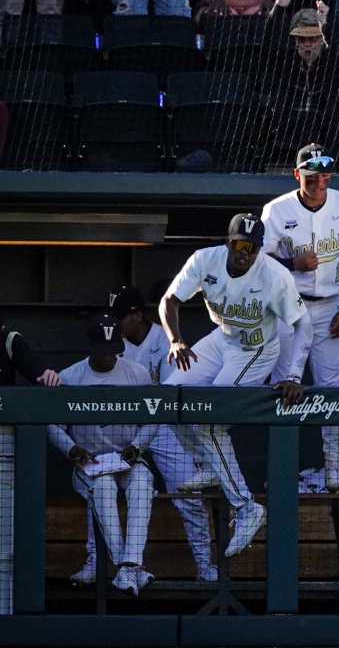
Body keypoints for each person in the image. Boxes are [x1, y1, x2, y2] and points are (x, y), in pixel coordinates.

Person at [160, 213, 310, 558]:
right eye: (241, 245)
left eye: (253, 247)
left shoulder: (274, 275)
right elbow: (170, 300)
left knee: (211, 420)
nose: (246, 252)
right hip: (222, 339)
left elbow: (304, 325)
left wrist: (294, 374)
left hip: (256, 350)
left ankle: (246, 507)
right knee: (171, 398)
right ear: (229, 243)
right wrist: (176, 340)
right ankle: (207, 466)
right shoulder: (205, 259)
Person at [62, 286, 217, 586]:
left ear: (137, 315)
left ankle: (204, 565)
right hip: (128, 430)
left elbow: (170, 397)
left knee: (189, 494)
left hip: (165, 428)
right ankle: (99, 561)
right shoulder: (111, 344)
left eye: (121, 317)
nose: (115, 323)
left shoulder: (163, 338)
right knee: (100, 488)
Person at [261, 144, 339, 492]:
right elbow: (255, 263)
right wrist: (290, 265)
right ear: (299, 175)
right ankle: (283, 466)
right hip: (287, 308)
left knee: (332, 389)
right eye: (312, 175)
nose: (320, 181)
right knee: (283, 387)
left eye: (325, 174)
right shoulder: (276, 210)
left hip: (330, 307)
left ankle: (334, 467)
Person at [48, 315, 160, 596]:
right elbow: (52, 425)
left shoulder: (137, 373)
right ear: (91, 346)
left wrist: (137, 446)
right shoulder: (70, 376)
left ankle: (127, 567)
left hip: (128, 459)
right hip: (91, 461)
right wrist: (72, 449)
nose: (108, 357)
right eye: (103, 351)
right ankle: (130, 569)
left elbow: (154, 418)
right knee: (104, 487)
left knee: (142, 485)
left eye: (113, 350)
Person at [0, 312, 61, 615]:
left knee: (4, 541)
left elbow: (39, 371)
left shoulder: (9, 339)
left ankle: (5, 612)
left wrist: (47, 374)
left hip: (4, 443)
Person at [270, 6, 339, 167]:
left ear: (321, 40)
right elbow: (267, 46)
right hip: (289, 125)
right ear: (295, 41)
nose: (307, 44)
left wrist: (323, 25)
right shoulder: (286, 61)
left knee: (318, 118)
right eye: (302, 39)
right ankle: (314, 167)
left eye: (313, 39)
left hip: (327, 127)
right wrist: (278, 7)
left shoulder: (331, 62)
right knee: (308, 118)